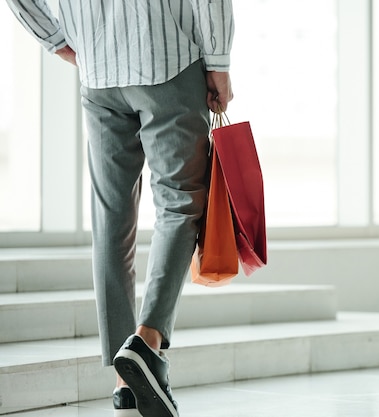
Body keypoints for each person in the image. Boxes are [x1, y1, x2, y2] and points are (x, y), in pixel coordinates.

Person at [5, 1, 234, 416]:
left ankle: (124, 380)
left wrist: (55, 39)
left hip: (97, 70)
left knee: (110, 217)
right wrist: (218, 60)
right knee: (180, 204)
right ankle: (146, 344)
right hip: (167, 60)